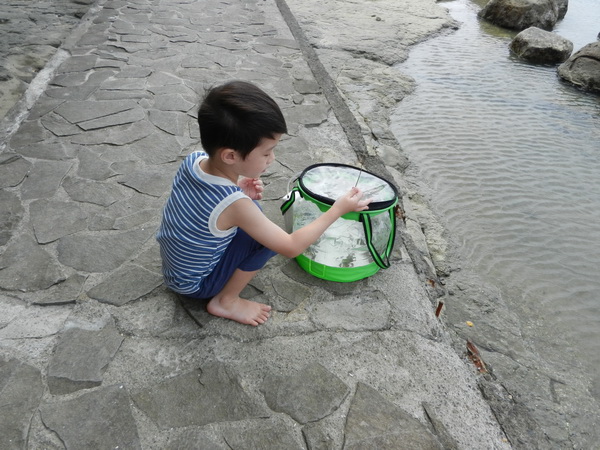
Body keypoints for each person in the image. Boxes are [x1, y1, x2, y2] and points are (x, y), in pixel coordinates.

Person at [157, 81, 371, 326]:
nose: (272, 158)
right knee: (266, 238)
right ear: (230, 156)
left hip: (176, 272)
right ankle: (226, 301)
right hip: (196, 285)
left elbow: (202, 203)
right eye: (267, 153)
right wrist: (338, 209)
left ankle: (224, 292)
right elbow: (290, 247)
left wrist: (239, 190)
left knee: (253, 212)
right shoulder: (235, 205)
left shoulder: (194, 160)